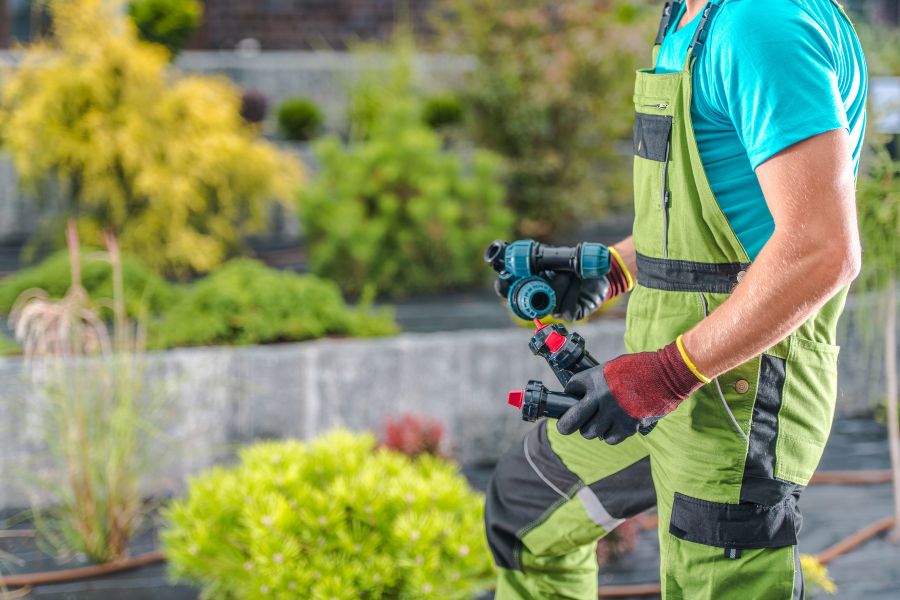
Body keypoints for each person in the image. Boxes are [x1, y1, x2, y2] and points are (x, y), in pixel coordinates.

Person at [484, 0, 868, 597]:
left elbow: (821, 249)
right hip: (657, 378)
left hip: (735, 398)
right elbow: (729, 216)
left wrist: (662, 376)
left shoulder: (760, 23)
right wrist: (611, 268)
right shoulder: (690, 19)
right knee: (524, 512)